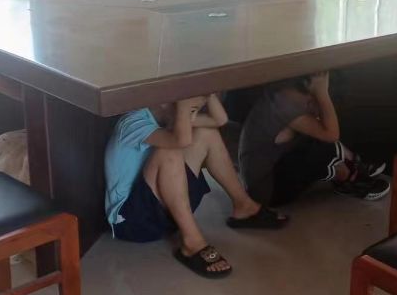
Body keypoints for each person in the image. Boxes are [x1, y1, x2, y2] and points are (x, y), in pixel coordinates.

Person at [105, 93, 287, 279]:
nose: (192, 116)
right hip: (132, 222)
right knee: (169, 152)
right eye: (191, 111)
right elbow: (180, 141)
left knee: (207, 133)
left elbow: (219, 120)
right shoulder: (132, 122)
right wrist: (184, 107)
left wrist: (204, 91)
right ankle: (192, 242)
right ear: (165, 103)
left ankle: (244, 207)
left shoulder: (168, 114)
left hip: (163, 211)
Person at [238, 72, 390, 207]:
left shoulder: (289, 93)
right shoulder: (287, 105)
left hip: (267, 174)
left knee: (319, 136)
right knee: (321, 145)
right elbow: (331, 135)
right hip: (266, 190)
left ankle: (354, 163)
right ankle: (349, 180)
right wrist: (323, 93)